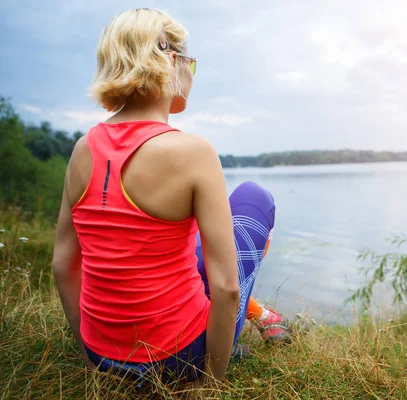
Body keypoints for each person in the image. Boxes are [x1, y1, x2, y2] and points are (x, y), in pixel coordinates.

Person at [50, 8, 290, 385]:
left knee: (188, 234)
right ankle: (246, 329)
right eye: (190, 64)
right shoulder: (193, 153)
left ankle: (258, 315)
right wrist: (209, 383)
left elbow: (64, 266)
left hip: (101, 356)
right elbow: (226, 287)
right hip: (179, 359)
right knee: (254, 197)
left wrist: (93, 357)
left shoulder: (83, 148)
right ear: (173, 61)